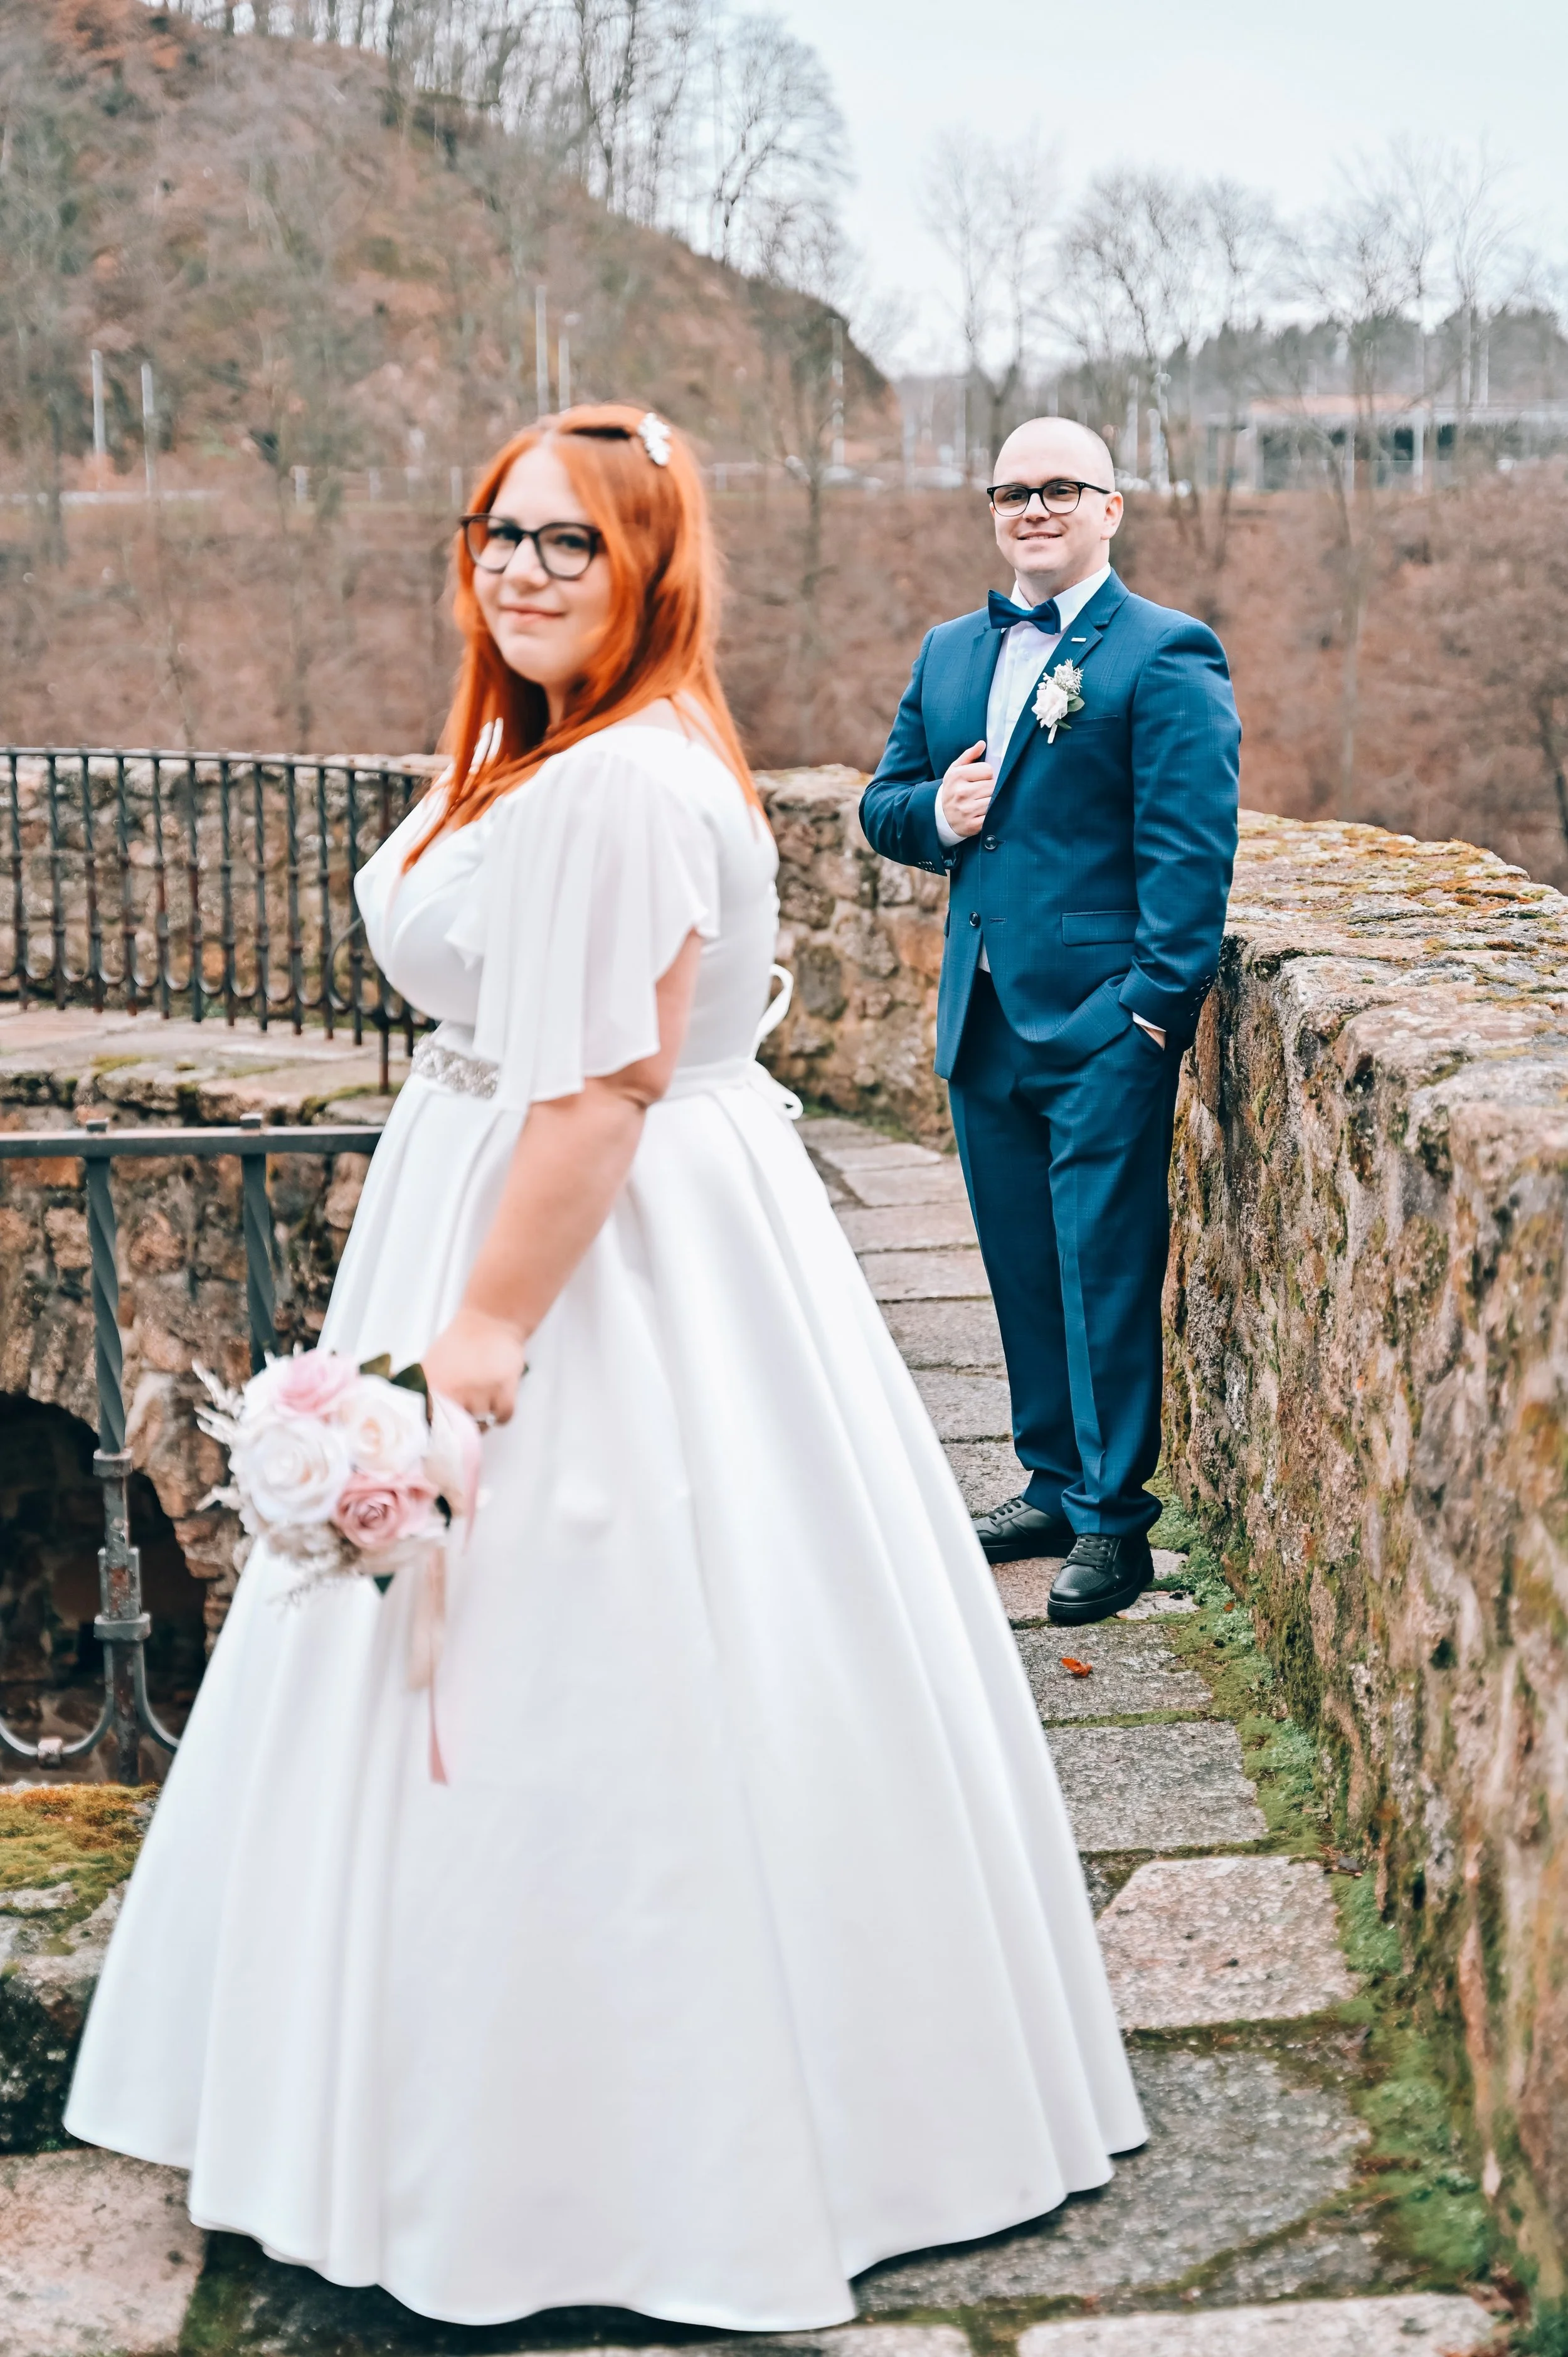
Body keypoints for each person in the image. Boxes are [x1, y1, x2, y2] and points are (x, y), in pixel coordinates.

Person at [66, 404, 1144, 2332]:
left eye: (575, 540)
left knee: (610, 1647)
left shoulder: (624, 783)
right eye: (501, 527)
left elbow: (604, 1092)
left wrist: (460, 1368)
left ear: (650, 565)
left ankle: (620, 2159)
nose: (525, 565)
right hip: (494, 1184)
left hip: (601, 1258)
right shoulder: (535, 746)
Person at [860, 418, 1240, 1626]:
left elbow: (1191, 856)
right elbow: (883, 803)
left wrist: (1148, 1017)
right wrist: (943, 813)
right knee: (1021, 1265)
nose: (1035, 508)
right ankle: (1050, 1480)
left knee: (1104, 1268)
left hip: (1102, 1026)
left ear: (1111, 507)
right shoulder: (949, 649)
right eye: (1013, 490)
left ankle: (1115, 1526)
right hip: (981, 1013)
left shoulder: (1166, 653)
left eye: (1060, 489)